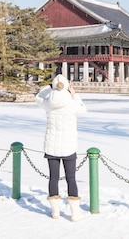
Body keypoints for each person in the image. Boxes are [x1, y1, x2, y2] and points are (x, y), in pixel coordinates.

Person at [35, 74, 87, 221]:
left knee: (53, 178)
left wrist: (48, 88)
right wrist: (74, 95)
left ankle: (55, 211)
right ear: (66, 86)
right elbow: (83, 109)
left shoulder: (47, 102)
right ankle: (75, 213)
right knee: (71, 179)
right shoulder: (71, 103)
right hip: (68, 146)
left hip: (51, 146)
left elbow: (38, 97)